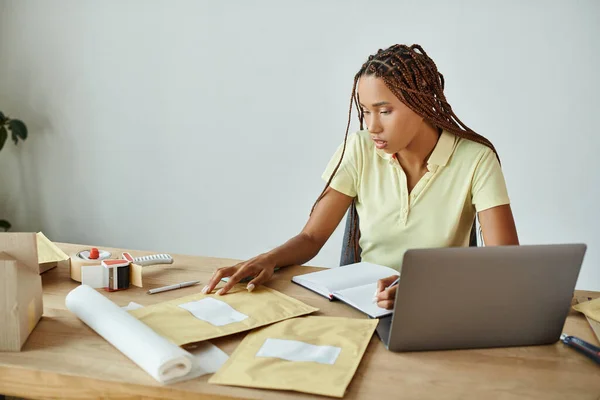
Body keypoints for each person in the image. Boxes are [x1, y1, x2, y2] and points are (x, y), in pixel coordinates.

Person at [202, 43, 519, 309]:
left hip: (441, 305)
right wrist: (269, 258)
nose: (372, 126)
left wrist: (422, 287)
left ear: (421, 103)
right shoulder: (359, 149)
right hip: (364, 304)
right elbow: (312, 237)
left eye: (384, 111)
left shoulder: (476, 160)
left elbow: (504, 265)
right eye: (365, 111)